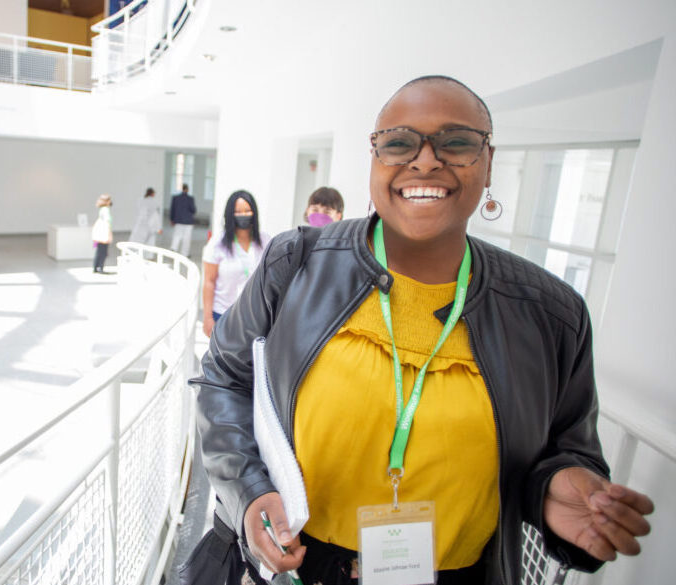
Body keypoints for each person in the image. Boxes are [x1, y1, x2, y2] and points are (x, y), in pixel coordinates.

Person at [188, 76, 654, 585]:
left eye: (457, 142)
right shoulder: (295, 263)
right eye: (399, 142)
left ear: (489, 162)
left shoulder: (550, 315)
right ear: (375, 158)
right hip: (293, 566)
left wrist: (552, 490)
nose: (426, 160)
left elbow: (568, 450)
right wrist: (250, 488)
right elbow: (224, 380)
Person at [201, 190, 270, 338]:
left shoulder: (265, 241)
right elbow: (209, 281)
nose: (243, 215)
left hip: (254, 316)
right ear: (230, 214)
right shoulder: (217, 244)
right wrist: (207, 318)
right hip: (223, 314)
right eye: (238, 212)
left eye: (247, 211)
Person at [170, 183, 197, 257]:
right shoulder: (190, 199)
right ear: (187, 190)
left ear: (182, 189)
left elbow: (172, 210)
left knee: (177, 236)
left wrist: (172, 219)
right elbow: (193, 210)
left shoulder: (175, 198)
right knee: (186, 239)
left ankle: (173, 249)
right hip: (188, 222)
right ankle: (184, 254)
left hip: (178, 221)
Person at [91, 194, 112, 273]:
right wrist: (108, 233)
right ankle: (100, 267)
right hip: (104, 233)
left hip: (100, 233)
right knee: (103, 252)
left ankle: (96, 267)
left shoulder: (102, 209)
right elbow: (107, 222)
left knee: (99, 251)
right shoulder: (106, 210)